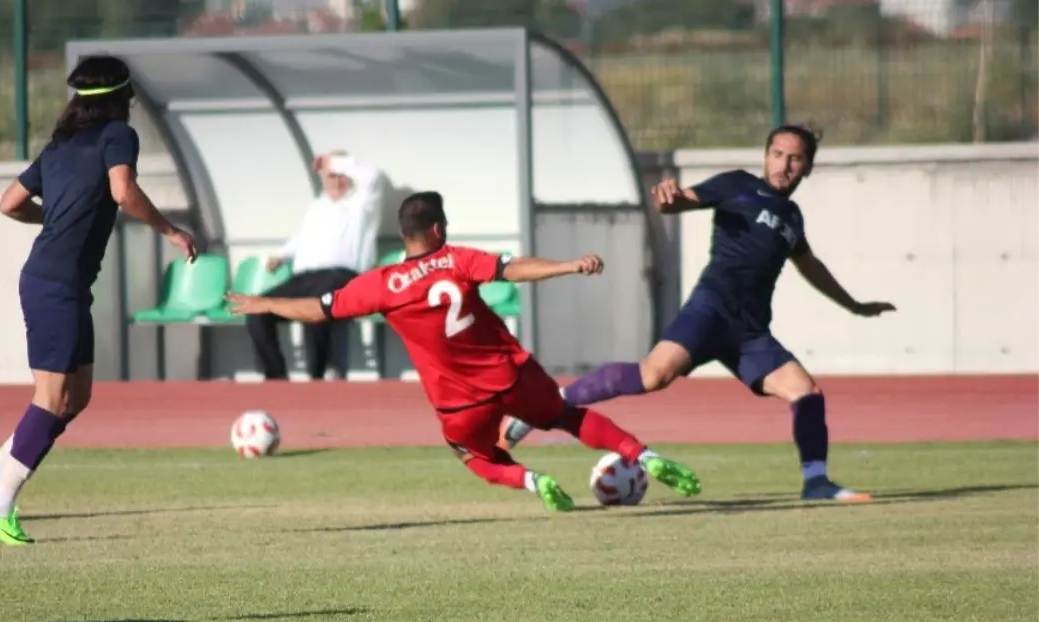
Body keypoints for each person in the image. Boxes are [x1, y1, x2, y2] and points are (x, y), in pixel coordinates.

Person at [226, 191, 701, 511]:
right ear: (435, 229)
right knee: (566, 414)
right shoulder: (457, 260)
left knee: (475, 457)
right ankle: (642, 454)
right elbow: (514, 269)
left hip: (459, 404)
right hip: (512, 375)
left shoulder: (382, 285)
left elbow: (318, 309)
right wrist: (569, 266)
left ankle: (533, 482)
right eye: (445, 224)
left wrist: (263, 302)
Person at [499, 124, 896, 502]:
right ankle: (552, 402)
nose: (784, 164)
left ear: (807, 167)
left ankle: (816, 483)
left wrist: (855, 306)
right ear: (765, 155)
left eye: (794, 159)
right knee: (653, 375)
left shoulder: (792, 219)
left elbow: (811, 266)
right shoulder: (739, 185)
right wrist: (666, 197)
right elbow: (676, 202)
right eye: (777, 154)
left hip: (751, 331)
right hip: (711, 309)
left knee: (806, 393)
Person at [0, 56, 197, 545]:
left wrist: (55, 220)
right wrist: (170, 231)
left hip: (56, 280)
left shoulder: (61, 145)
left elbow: (9, 203)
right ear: (122, 98)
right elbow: (123, 191)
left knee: (77, 396)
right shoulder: (118, 136)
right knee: (52, 399)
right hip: (56, 284)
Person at [246, 151, 384, 381]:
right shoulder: (318, 206)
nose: (336, 181)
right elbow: (303, 237)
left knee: (316, 307)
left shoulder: (362, 204)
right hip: (304, 277)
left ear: (350, 176)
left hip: (342, 276)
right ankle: (276, 376)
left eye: (341, 175)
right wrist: (282, 255)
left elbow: (374, 177)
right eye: (331, 176)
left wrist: (338, 162)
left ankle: (317, 378)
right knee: (258, 309)